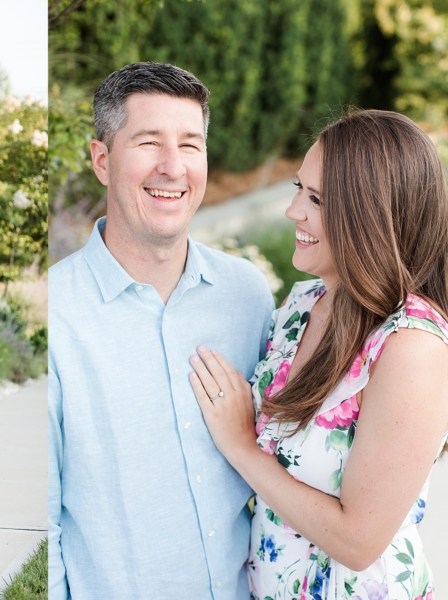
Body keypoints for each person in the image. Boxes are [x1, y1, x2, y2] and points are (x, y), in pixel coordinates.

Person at [188, 109, 448, 600]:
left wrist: (240, 446)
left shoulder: (411, 347)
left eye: (317, 199)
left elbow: (358, 542)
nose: (293, 211)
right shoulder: (303, 302)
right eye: (298, 188)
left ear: (370, 215)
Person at [48, 62, 275, 599]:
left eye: (190, 145)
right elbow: (44, 523)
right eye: (149, 142)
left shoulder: (247, 295)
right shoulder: (58, 315)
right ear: (102, 161)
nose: (173, 168)